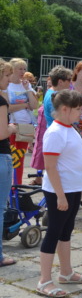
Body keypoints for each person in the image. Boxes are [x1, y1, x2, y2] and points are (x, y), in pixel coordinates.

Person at [37, 90, 82, 298]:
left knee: (66, 231)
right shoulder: (55, 132)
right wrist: (60, 195)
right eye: (77, 109)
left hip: (72, 189)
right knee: (53, 232)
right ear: (64, 109)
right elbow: (50, 167)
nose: (81, 113)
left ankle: (66, 272)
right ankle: (44, 280)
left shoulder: (70, 128)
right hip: (60, 191)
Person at [6, 58, 38, 184]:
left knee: (20, 157)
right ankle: (8, 185)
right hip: (11, 125)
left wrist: (28, 89)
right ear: (12, 69)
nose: (23, 71)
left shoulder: (26, 84)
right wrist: (25, 105)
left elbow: (34, 105)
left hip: (25, 125)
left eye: (24, 69)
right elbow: (7, 108)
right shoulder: (7, 85)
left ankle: (17, 185)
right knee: (10, 157)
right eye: (20, 68)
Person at [0, 60, 18, 267]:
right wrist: (12, 128)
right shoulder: (1, 101)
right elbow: (1, 133)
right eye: (6, 76)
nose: (9, 79)